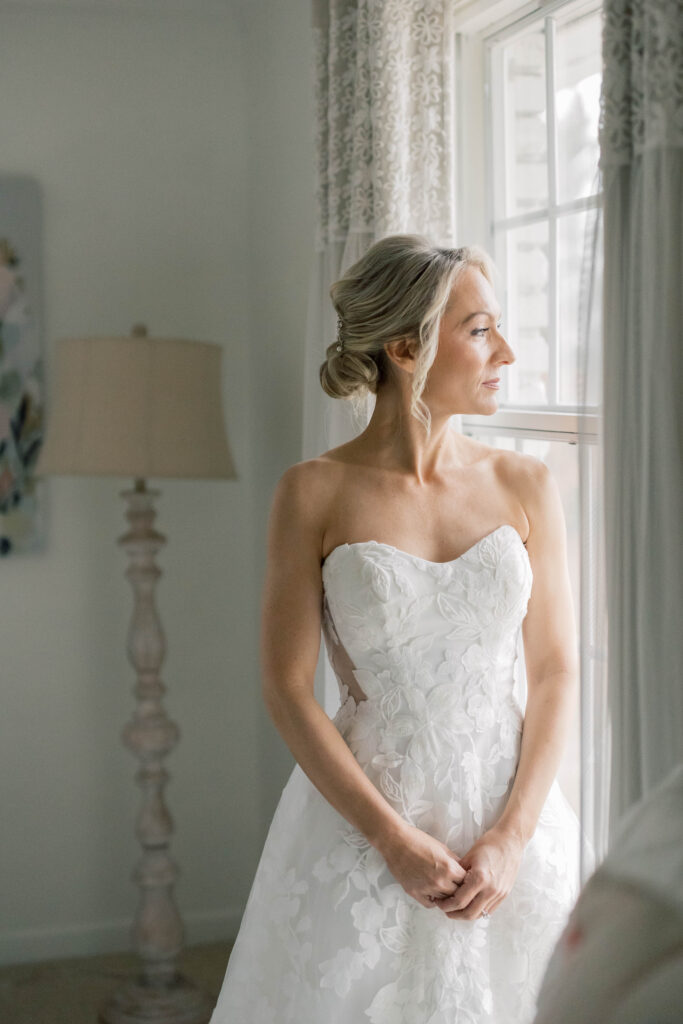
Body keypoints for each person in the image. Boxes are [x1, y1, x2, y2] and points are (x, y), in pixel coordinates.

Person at [208, 234, 582, 1024]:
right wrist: (389, 839)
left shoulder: (526, 484)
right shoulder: (312, 492)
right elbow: (285, 687)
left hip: (508, 815)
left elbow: (553, 670)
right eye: (480, 330)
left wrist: (511, 837)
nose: (505, 351)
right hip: (366, 822)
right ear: (405, 346)